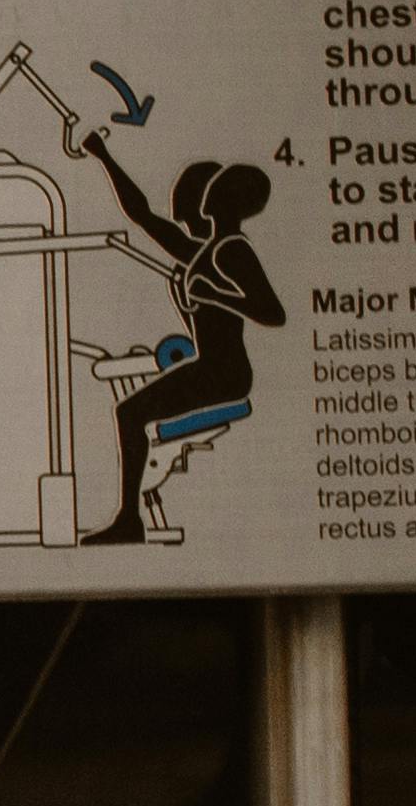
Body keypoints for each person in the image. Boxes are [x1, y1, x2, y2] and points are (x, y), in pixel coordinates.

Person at [71, 129, 277, 543]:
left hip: (226, 373)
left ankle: (129, 521)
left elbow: (272, 312)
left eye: (217, 187)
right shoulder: (203, 251)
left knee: (130, 414)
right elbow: (141, 213)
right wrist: (104, 157)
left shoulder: (231, 250)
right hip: (212, 365)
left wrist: (214, 295)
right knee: (130, 413)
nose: (207, 193)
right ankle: (129, 518)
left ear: (228, 200)